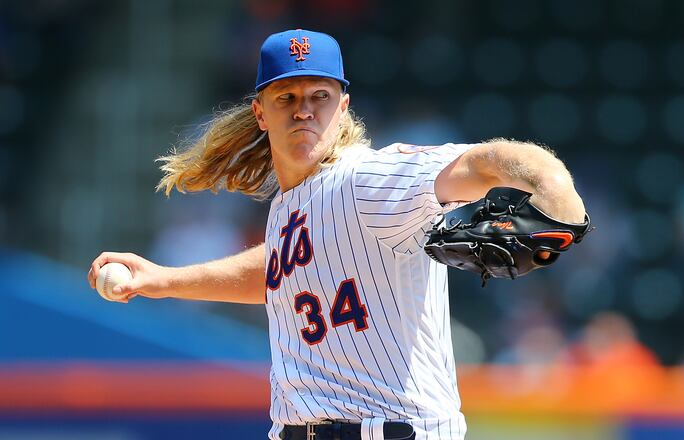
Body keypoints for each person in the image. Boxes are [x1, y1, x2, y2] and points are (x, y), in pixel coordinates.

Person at [87, 29, 587, 440]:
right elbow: (278, 271)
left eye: (319, 96)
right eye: (287, 97)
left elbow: (481, 162)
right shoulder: (291, 204)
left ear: (343, 106)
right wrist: (164, 279)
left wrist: (552, 183)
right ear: (260, 112)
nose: (304, 109)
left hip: (391, 430)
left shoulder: (367, 180)